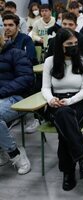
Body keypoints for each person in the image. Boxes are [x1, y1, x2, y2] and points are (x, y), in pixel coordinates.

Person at [41, 28, 83, 191]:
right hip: (56, 102)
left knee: (65, 123)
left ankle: (68, 172)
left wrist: (69, 101)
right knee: (65, 118)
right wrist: (50, 100)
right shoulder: (50, 61)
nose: (73, 46)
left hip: (79, 101)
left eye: (75, 43)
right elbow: (45, 88)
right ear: (60, 45)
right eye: (69, 44)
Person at [0, 34, 34, 174]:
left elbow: (26, 78)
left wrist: (1, 92)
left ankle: (15, 153)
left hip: (17, 98)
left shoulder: (16, 53)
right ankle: (2, 149)